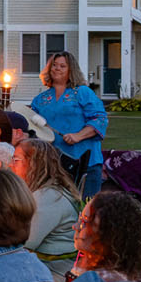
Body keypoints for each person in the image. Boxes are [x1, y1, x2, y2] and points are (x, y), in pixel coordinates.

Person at [28, 51, 109, 195]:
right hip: (52, 165)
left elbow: (100, 119)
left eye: (62, 66)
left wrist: (79, 136)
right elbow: (32, 127)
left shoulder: (83, 92)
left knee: (86, 206)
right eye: (54, 65)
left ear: (71, 70)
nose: (57, 68)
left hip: (85, 163)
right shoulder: (40, 99)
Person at [16, 137, 85, 264]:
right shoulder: (43, 191)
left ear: (33, 165)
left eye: (16, 160)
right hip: (43, 263)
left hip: (55, 268)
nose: (10, 165)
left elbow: (24, 243)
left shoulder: (48, 197)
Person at [69, 187, 141, 282]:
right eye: (80, 219)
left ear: (109, 235)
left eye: (85, 222)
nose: (75, 226)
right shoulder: (88, 267)